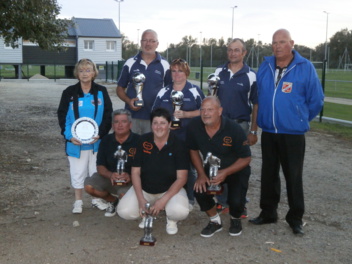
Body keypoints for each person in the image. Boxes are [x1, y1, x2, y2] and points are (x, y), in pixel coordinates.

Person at [249, 29, 324, 236]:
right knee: (268, 174)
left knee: (293, 176)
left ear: (291, 43)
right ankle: (268, 213)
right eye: (274, 42)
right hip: (270, 132)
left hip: (292, 133)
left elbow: (316, 100)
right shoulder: (265, 66)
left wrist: (299, 118)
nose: (277, 46)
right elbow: (259, 98)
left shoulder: (305, 67)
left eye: (282, 42)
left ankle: (295, 218)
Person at [117, 108, 189, 235]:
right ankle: (146, 214)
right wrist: (140, 199)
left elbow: (182, 178)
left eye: (162, 123)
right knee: (124, 211)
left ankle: (171, 219)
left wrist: (163, 201)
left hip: (169, 190)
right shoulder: (142, 141)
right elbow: (135, 172)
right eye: (155, 123)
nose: (158, 127)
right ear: (151, 125)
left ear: (170, 125)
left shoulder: (179, 144)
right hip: (145, 189)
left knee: (180, 211)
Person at [186, 96, 251, 237]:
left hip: (235, 168)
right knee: (199, 188)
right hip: (211, 168)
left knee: (236, 201)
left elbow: (246, 158)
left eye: (210, 109)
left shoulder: (234, 129)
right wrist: (201, 174)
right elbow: (193, 150)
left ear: (220, 111)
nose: (205, 113)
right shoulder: (194, 125)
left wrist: (226, 172)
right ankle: (215, 220)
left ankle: (235, 218)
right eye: (202, 109)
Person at [57, 58, 113, 214]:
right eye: (81, 70)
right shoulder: (69, 92)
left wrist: (101, 134)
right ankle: (78, 201)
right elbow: (63, 116)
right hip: (76, 142)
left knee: (95, 171)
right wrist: (69, 136)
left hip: (96, 142)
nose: (84, 73)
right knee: (77, 171)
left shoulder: (101, 91)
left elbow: (108, 114)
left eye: (88, 70)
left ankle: (96, 199)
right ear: (77, 73)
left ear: (94, 72)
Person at [214, 38, 258, 216]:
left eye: (237, 50)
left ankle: (240, 202)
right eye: (230, 50)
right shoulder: (218, 72)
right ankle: (223, 201)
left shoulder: (251, 75)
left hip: (240, 126)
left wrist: (254, 130)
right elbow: (212, 98)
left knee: (240, 165)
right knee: (218, 162)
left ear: (244, 53)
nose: (233, 53)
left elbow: (256, 104)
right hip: (219, 125)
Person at [152, 58, 205, 206]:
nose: (176, 74)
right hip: (167, 137)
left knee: (188, 169)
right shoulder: (164, 91)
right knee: (166, 168)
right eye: (173, 71)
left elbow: (206, 112)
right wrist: (167, 125)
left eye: (180, 70)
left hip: (189, 137)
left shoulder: (194, 90)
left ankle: (191, 198)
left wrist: (187, 115)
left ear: (186, 72)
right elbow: (155, 112)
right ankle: (165, 197)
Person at [84, 109, 140, 217]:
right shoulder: (106, 140)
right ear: (112, 125)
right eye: (116, 122)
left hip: (131, 180)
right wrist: (111, 175)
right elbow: (100, 166)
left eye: (123, 121)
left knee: (125, 200)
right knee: (89, 187)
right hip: (109, 177)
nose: (119, 125)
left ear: (130, 124)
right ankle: (113, 201)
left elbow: (144, 167)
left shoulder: (139, 141)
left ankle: (125, 200)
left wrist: (130, 176)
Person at [116, 29, 172, 135]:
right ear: (140, 42)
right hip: (132, 117)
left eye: (152, 41)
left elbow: (169, 91)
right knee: (132, 149)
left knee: (151, 150)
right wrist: (129, 101)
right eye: (145, 40)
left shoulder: (165, 65)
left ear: (157, 44)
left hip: (155, 119)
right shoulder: (130, 62)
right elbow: (119, 89)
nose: (148, 44)